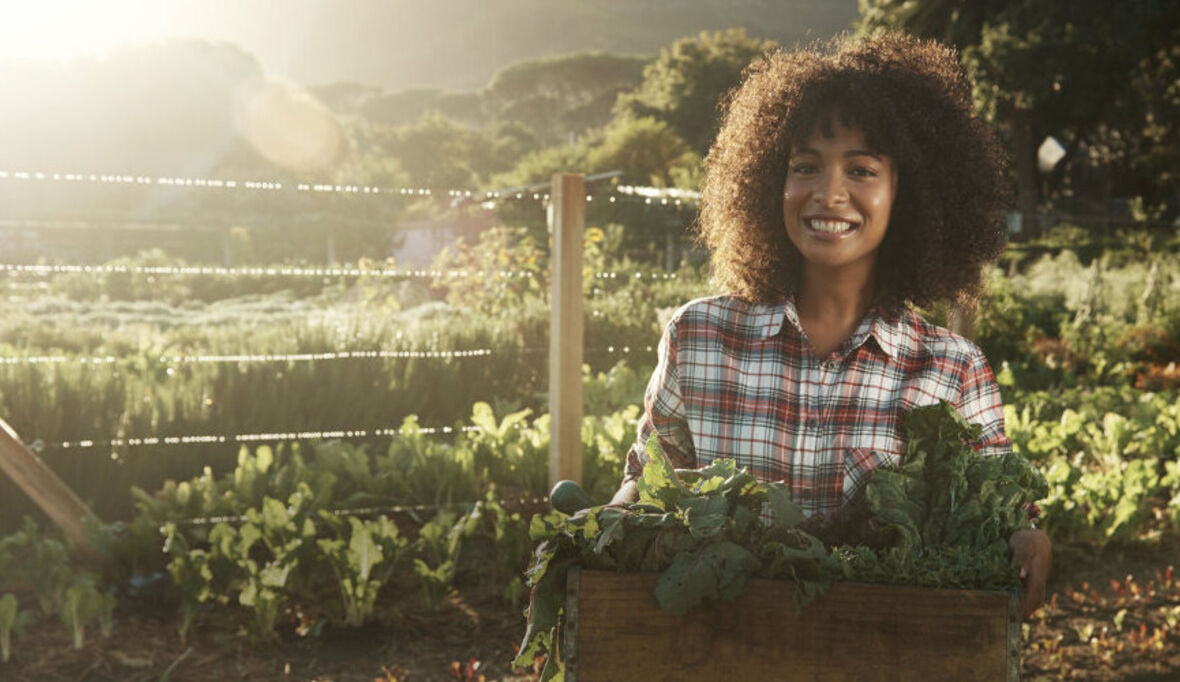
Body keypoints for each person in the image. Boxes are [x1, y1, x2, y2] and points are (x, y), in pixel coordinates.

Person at [610, 32, 1051, 618]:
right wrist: (609, 521)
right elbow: (644, 482)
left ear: (909, 193)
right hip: (713, 654)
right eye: (806, 166)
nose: (829, 193)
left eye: (862, 169)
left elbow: (1003, 514)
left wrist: (1031, 542)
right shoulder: (700, 338)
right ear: (771, 181)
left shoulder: (952, 369)